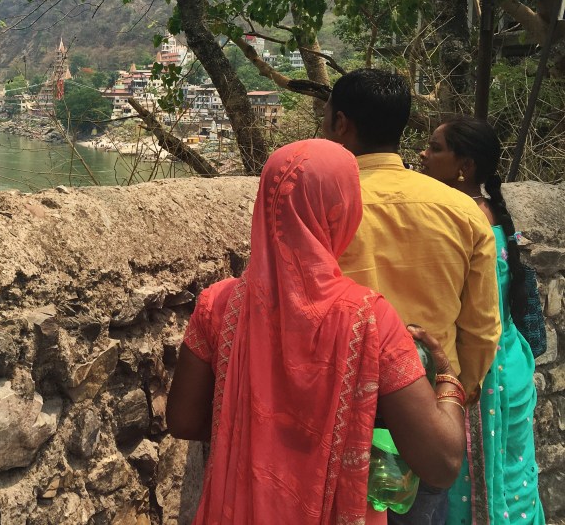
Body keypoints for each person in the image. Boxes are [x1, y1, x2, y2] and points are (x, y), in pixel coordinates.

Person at [167, 138, 467, 525]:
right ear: (343, 210)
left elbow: (183, 419)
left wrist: (262, 430)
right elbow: (442, 463)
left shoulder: (218, 305)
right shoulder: (368, 319)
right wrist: (447, 377)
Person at [322, 68, 500, 524]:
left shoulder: (322, 204)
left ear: (341, 123)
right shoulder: (463, 211)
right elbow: (482, 327)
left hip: (340, 405)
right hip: (427, 408)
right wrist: (454, 393)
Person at [419, 116, 545, 524]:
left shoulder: (459, 219)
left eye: (435, 147)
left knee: (475, 490)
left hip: (483, 373)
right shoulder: (489, 212)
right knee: (513, 482)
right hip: (511, 363)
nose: (423, 153)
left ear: (465, 166)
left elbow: (474, 319)